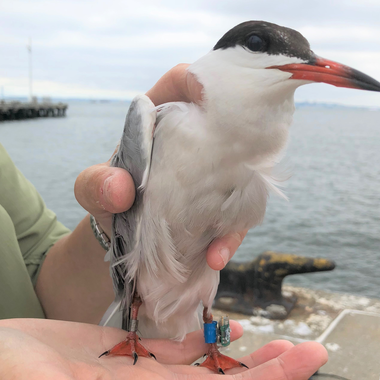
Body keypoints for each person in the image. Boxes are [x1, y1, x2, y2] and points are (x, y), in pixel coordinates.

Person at [0, 64, 327, 379]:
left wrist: (107, 227)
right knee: (158, 296)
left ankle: (210, 345)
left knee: (205, 301)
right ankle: (140, 335)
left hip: (180, 283)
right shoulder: (159, 118)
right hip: (129, 306)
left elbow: (35, 260)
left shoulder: (244, 133)